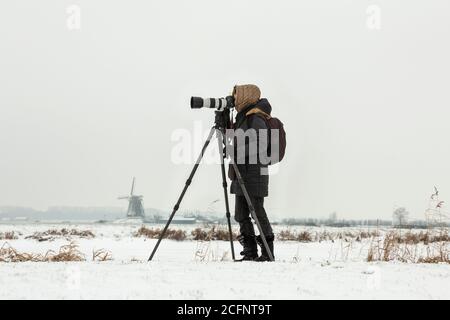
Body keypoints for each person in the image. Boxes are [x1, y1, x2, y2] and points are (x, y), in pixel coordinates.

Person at [229, 84, 275, 262]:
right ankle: (250, 251)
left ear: (245, 96)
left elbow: (261, 145)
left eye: (236, 96)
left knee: (257, 211)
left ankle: (267, 252)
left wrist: (237, 151)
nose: (233, 100)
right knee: (240, 214)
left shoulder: (256, 117)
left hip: (256, 173)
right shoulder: (242, 117)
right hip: (243, 172)